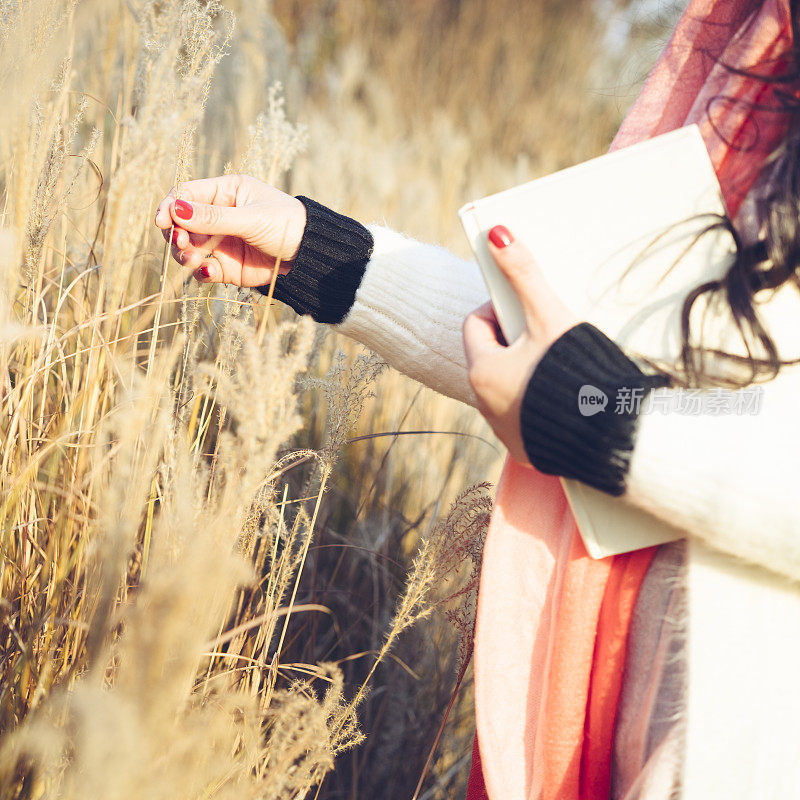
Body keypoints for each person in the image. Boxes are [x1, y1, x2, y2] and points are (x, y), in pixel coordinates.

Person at [155, 1, 800, 797]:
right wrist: (311, 248)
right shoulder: (748, 49)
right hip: (628, 709)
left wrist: (600, 413)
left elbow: (603, 391)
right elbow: (565, 353)